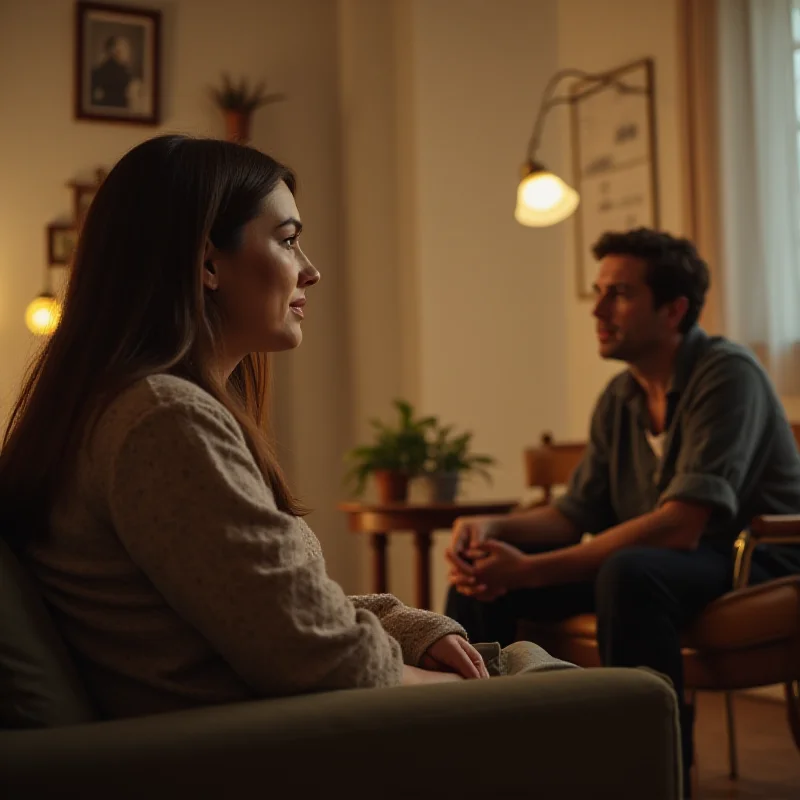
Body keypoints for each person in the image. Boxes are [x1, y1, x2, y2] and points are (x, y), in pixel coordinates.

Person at [0, 134, 507, 720]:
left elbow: (270, 605)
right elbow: (318, 657)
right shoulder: (162, 422)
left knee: (529, 665)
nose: (311, 271)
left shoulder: (138, 411)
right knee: (601, 693)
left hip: (271, 729)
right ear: (208, 262)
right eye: (288, 241)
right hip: (263, 748)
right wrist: (468, 692)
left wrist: (411, 630)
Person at [444, 228, 800, 798]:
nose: (599, 309)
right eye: (598, 291)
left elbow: (682, 525)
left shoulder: (727, 374)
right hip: (668, 560)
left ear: (673, 309)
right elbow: (574, 512)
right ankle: (484, 757)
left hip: (751, 555)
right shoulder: (621, 396)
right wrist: (493, 529)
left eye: (620, 294)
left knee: (629, 573)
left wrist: (533, 569)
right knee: (485, 576)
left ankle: (649, 773)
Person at [91, 35, 134, 108]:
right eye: (124, 48)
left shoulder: (125, 72)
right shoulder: (118, 74)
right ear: (113, 51)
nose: (128, 52)